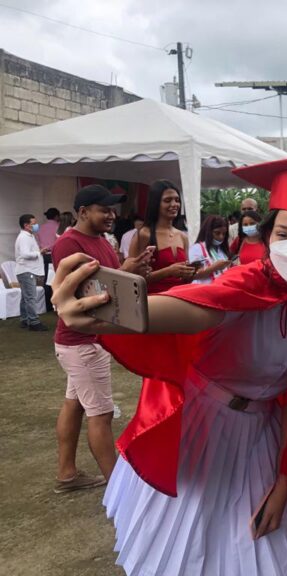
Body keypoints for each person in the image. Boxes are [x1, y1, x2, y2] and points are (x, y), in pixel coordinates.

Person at [51, 156, 287, 576]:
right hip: (200, 436)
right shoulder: (245, 283)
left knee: (254, 558)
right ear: (267, 235)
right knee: (180, 553)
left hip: (261, 441)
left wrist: (282, 485)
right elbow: (191, 310)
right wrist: (103, 312)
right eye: (284, 233)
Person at [51, 185, 153, 494]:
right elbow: (90, 296)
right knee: (101, 413)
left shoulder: (102, 241)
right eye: (104, 209)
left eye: (113, 210)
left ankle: (67, 473)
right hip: (81, 340)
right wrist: (125, 270)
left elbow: (111, 284)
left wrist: (133, 271)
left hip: (89, 339)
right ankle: (118, 489)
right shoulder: (69, 245)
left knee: (76, 405)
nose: (112, 215)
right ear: (83, 213)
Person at [130, 179, 196, 294]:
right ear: (156, 203)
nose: (174, 204)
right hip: (153, 301)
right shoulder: (144, 235)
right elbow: (132, 277)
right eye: (167, 200)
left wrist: (192, 271)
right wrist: (168, 271)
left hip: (180, 298)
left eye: (177, 200)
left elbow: (186, 278)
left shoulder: (182, 236)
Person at [15, 214, 48, 331]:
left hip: (26, 270)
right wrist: (39, 252)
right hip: (26, 270)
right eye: (33, 224)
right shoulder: (24, 237)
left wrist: (39, 252)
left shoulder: (28, 236)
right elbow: (24, 254)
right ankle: (33, 322)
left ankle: (24, 320)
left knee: (26, 297)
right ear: (26, 225)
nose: (36, 226)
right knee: (31, 297)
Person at [188, 215, 232, 285]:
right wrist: (214, 267)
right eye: (217, 233)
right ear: (208, 231)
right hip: (201, 290)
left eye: (224, 234)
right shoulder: (196, 248)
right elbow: (193, 275)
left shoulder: (222, 249)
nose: (221, 237)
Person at [38, 207, 60, 311]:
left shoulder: (41, 227)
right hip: (54, 255)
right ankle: (55, 303)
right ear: (56, 216)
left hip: (44, 255)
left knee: (47, 280)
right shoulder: (58, 227)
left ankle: (47, 304)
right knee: (57, 279)